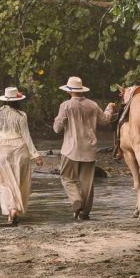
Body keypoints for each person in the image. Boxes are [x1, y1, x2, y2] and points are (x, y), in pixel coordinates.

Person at [53, 76, 116, 220]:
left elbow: (57, 129)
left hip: (70, 149)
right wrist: (109, 108)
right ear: (82, 90)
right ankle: (84, 213)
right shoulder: (93, 105)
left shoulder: (65, 106)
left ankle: (76, 200)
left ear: (69, 91)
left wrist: (58, 120)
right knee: (87, 183)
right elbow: (105, 120)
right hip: (89, 149)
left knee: (67, 177)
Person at [0, 87, 44, 226]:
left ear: (5, 99)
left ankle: (12, 209)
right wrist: (36, 155)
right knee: (19, 182)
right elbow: (26, 136)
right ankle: (15, 210)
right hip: (20, 150)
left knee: (4, 183)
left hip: (1, 149)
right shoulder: (21, 115)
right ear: (17, 101)